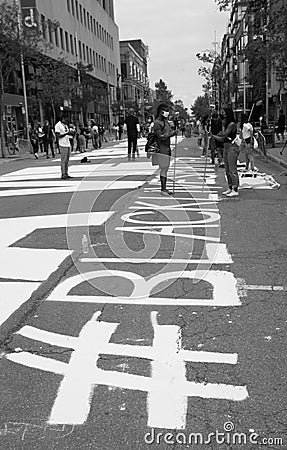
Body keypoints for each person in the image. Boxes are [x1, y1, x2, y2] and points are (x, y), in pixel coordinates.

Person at [211, 107, 240, 197]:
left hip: (232, 147)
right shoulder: (226, 123)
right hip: (226, 146)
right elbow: (221, 135)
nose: (222, 114)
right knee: (227, 169)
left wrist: (215, 135)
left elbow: (223, 135)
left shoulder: (231, 124)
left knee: (232, 169)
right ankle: (230, 187)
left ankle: (235, 188)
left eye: (223, 112)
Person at [153, 103, 176, 196]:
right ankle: (163, 189)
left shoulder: (165, 122)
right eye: (166, 111)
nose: (167, 113)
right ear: (161, 111)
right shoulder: (157, 123)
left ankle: (164, 188)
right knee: (164, 168)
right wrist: (171, 134)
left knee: (166, 168)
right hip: (161, 148)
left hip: (167, 147)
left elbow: (169, 131)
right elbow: (160, 137)